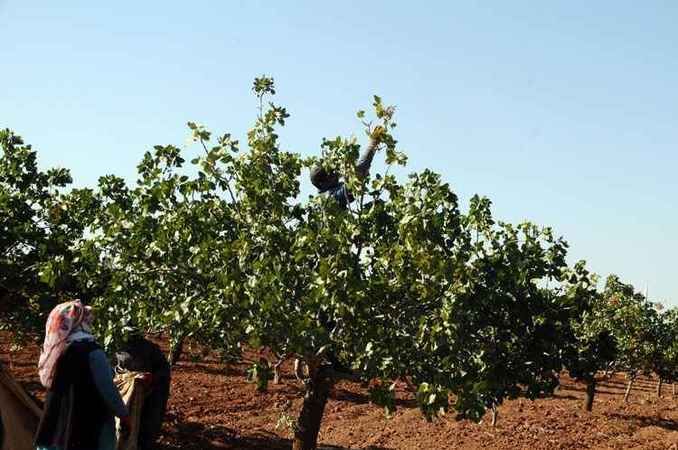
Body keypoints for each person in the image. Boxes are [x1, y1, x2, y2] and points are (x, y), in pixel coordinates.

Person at [34, 300, 130, 450]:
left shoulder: (56, 350)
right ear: (81, 322)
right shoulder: (92, 352)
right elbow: (107, 388)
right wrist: (123, 414)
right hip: (88, 422)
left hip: (57, 420)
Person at [115, 331, 171, 450]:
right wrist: (125, 378)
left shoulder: (150, 350)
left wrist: (152, 378)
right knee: (122, 429)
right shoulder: (115, 348)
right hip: (124, 398)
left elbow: (164, 372)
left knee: (145, 431)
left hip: (149, 399)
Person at [309, 128, 384, 208]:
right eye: (331, 173)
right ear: (323, 182)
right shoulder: (328, 198)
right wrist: (372, 144)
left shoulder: (331, 189)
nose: (335, 173)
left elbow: (352, 190)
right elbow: (354, 181)